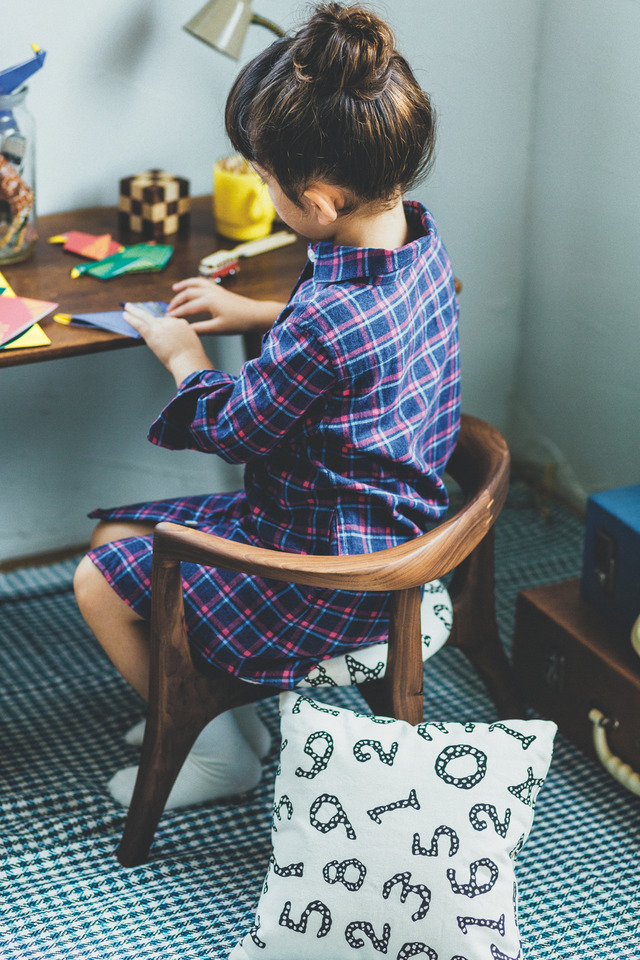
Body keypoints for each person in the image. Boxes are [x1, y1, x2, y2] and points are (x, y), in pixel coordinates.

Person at [73, 1, 461, 810]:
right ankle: (217, 712)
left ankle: (209, 744)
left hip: (328, 568)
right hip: (388, 521)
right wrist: (263, 318)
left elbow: (237, 426)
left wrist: (184, 360)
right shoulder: (418, 240)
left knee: (95, 580)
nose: (257, 185)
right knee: (119, 536)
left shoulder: (325, 320)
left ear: (317, 201)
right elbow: (363, 342)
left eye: (262, 177)